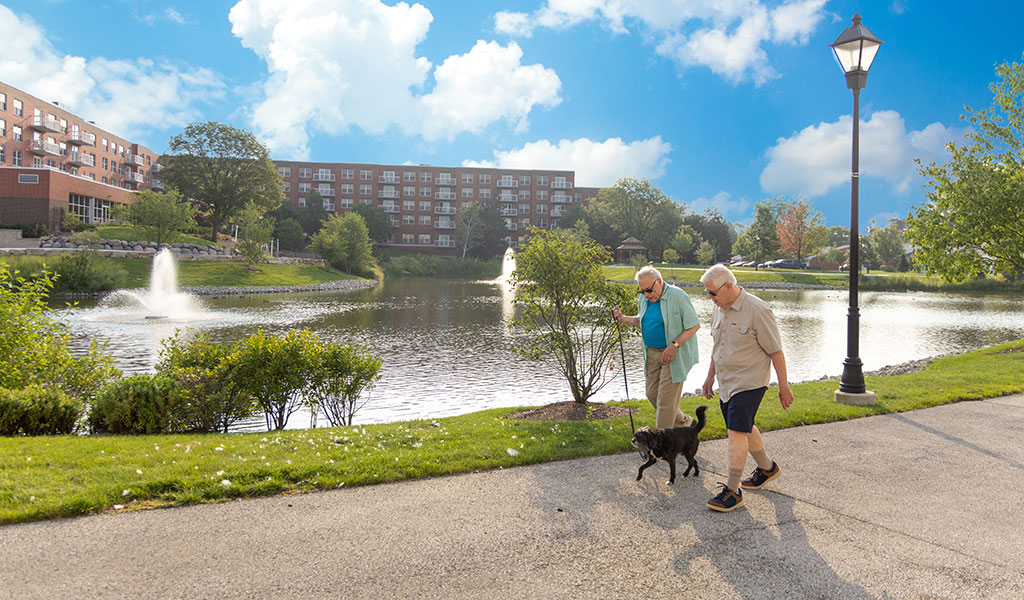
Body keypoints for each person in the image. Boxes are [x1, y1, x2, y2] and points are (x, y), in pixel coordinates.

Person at [699, 264, 793, 512]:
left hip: (749, 383)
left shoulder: (758, 310)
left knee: (735, 432)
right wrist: (709, 377)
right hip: (726, 383)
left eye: (712, 293)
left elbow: (776, 351)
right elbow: (717, 347)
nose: (710, 298)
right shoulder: (719, 308)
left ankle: (732, 491)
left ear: (728, 286)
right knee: (744, 427)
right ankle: (767, 468)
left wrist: (784, 386)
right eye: (707, 293)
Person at [612, 265, 700, 431]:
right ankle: (686, 423)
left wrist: (674, 346)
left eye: (649, 290)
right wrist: (622, 318)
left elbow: (694, 326)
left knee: (666, 403)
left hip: (674, 356)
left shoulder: (678, 296)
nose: (646, 295)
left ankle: (660, 446)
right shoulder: (645, 299)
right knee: (652, 394)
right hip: (651, 354)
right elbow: (642, 320)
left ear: (659, 281)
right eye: (642, 291)